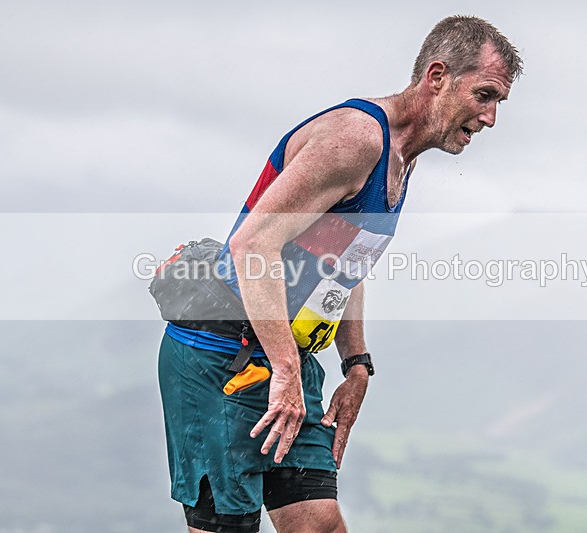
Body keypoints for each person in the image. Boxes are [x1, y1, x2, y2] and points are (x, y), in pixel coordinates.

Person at [158, 15, 523, 533]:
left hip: (282, 357)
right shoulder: (356, 138)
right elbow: (253, 243)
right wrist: (286, 372)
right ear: (437, 76)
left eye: (498, 104)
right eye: (484, 95)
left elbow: (347, 263)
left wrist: (356, 365)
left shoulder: (401, 157)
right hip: (221, 359)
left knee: (319, 524)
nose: (489, 118)